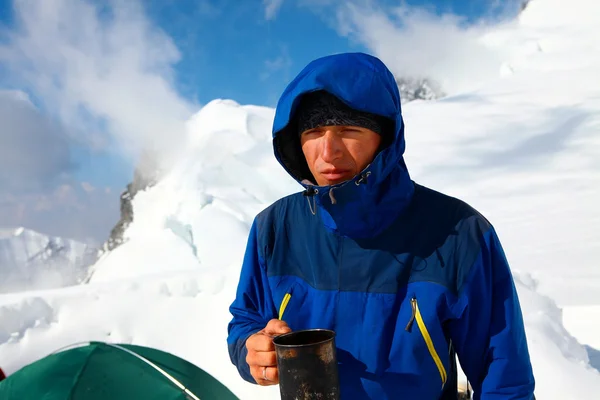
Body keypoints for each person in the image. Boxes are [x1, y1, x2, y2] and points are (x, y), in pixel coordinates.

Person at [226, 52, 535, 399]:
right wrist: (252, 348)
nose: (328, 152)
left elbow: (504, 377)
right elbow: (247, 317)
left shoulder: (459, 233)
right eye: (313, 131)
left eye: (349, 130)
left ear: (385, 137)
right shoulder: (275, 227)